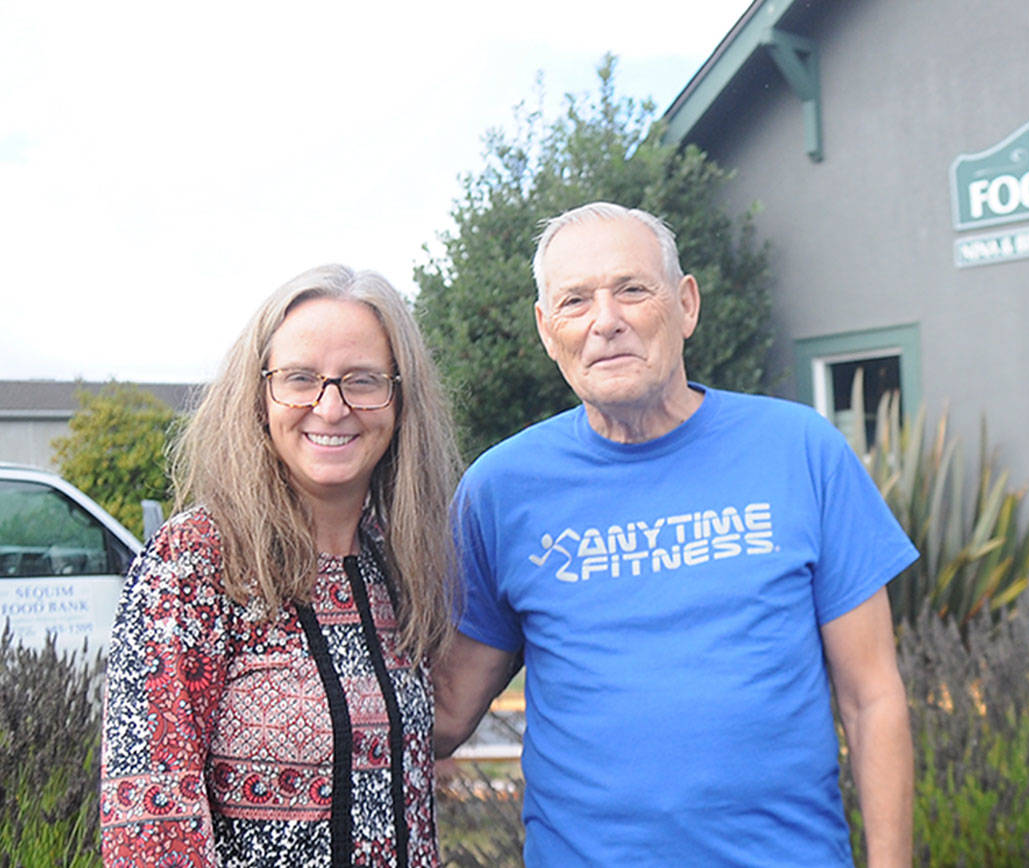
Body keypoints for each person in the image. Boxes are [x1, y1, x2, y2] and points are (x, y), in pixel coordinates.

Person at [434, 202, 919, 866]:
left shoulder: (799, 450)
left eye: (632, 289)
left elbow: (874, 699)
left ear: (685, 304)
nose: (606, 321)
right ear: (548, 331)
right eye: (575, 301)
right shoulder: (500, 491)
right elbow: (445, 713)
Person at [100, 265, 461, 867]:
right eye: (300, 378)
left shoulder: (397, 562)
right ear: (259, 394)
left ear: (401, 399)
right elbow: (150, 827)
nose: (331, 406)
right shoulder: (194, 565)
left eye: (363, 380)